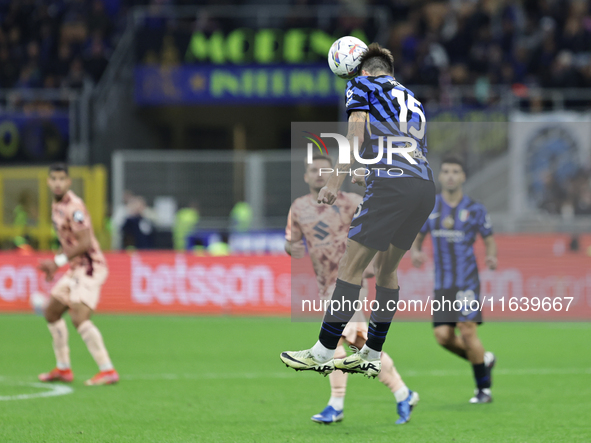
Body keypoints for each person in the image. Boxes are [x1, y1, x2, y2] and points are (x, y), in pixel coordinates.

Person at [281, 43, 436, 380]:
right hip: (424, 187)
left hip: (392, 187)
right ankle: (372, 354)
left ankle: (322, 351)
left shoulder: (362, 84)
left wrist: (335, 181)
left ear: (363, 69)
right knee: (386, 271)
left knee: (350, 269)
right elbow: (404, 146)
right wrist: (368, 167)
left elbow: (354, 134)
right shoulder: (413, 99)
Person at [286, 154, 419, 424]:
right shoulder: (298, 208)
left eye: (325, 169)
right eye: (313, 170)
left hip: (351, 283)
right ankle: (404, 393)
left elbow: (389, 223)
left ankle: (336, 405)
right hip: (325, 285)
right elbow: (291, 239)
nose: (320, 174)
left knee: (337, 339)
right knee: (359, 342)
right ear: (305, 176)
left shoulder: (352, 202)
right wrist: (292, 247)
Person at [410, 155, 497, 403]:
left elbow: (489, 240)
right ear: (441, 176)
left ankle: (483, 389)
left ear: (462, 177)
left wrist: (491, 258)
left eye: (455, 171)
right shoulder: (430, 206)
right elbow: (418, 235)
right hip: (443, 284)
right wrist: (416, 251)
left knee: (467, 332)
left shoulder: (475, 209)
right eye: (446, 171)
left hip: (467, 281)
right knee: (443, 337)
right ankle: (485, 360)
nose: (450, 175)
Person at [37, 163, 119, 386]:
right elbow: (69, 241)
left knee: (79, 317)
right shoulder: (56, 206)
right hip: (75, 268)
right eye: (53, 178)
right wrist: (59, 261)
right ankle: (63, 369)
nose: (57, 183)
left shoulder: (74, 207)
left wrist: (57, 262)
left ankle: (107, 370)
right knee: (51, 312)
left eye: (62, 179)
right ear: (48, 181)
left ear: (69, 182)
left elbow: (84, 243)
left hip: (91, 266)